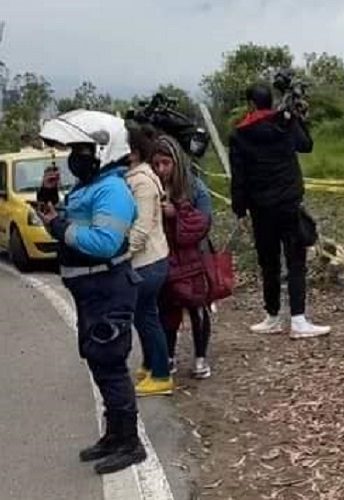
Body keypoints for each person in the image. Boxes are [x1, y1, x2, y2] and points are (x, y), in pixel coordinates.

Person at [37, 109, 146, 474]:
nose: (76, 157)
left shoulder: (112, 189)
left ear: (104, 149)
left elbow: (103, 242)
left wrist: (59, 224)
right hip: (91, 290)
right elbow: (66, 220)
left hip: (107, 288)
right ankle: (114, 434)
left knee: (110, 363)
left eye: (84, 150)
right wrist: (49, 197)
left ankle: (130, 443)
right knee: (99, 362)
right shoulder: (90, 187)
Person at [229, 83, 330, 339]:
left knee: (268, 262)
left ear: (251, 103)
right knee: (296, 260)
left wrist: (239, 209)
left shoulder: (240, 134)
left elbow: (238, 177)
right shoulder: (283, 124)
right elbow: (306, 145)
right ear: (270, 101)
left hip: (260, 206)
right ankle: (298, 319)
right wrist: (297, 118)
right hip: (288, 202)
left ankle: (272, 316)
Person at [152, 134, 214, 379]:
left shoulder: (194, 186)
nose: (161, 169)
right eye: (156, 164)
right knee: (166, 309)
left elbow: (204, 221)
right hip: (164, 256)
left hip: (193, 257)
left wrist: (176, 213)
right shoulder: (151, 185)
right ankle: (168, 355)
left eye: (165, 163)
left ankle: (200, 357)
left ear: (176, 162)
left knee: (197, 305)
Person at [125, 125, 173, 396]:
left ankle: (161, 374)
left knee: (147, 317)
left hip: (147, 261)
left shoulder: (141, 181)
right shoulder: (134, 176)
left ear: (133, 152)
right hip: (147, 260)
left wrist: (122, 254)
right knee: (144, 316)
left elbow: (142, 228)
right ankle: (150, 364)